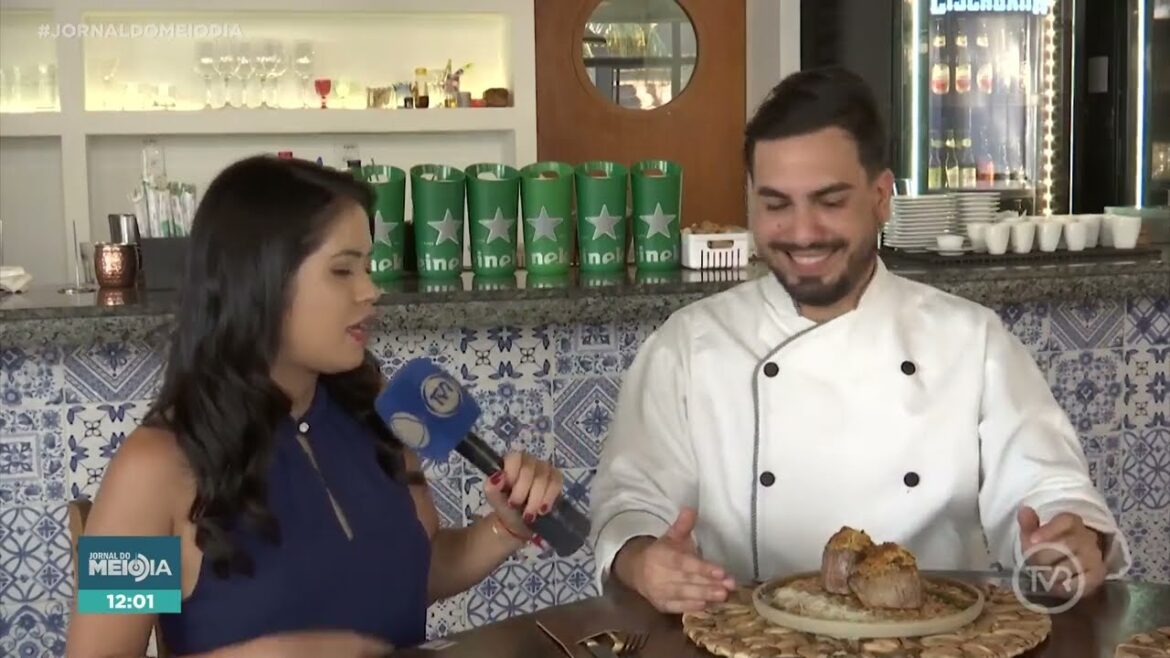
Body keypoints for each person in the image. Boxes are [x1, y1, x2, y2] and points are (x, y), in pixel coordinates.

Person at [589, 67, 1131, 615]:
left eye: (829, 201)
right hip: (747, 642)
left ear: (880, 197)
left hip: (935, 643)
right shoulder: (689, 345)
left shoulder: (970, 339)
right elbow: (632, 501)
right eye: (776, 204)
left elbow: (1045, 487)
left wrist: (1064, 544)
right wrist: (643, 561)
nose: (802, 232)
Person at [66, 156, 564, 657]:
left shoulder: (378, 412)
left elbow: (415, 568)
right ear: (260, 280)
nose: (371, 291)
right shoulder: (151, 470)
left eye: (367, 267)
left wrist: (505, 527)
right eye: (342, 270)